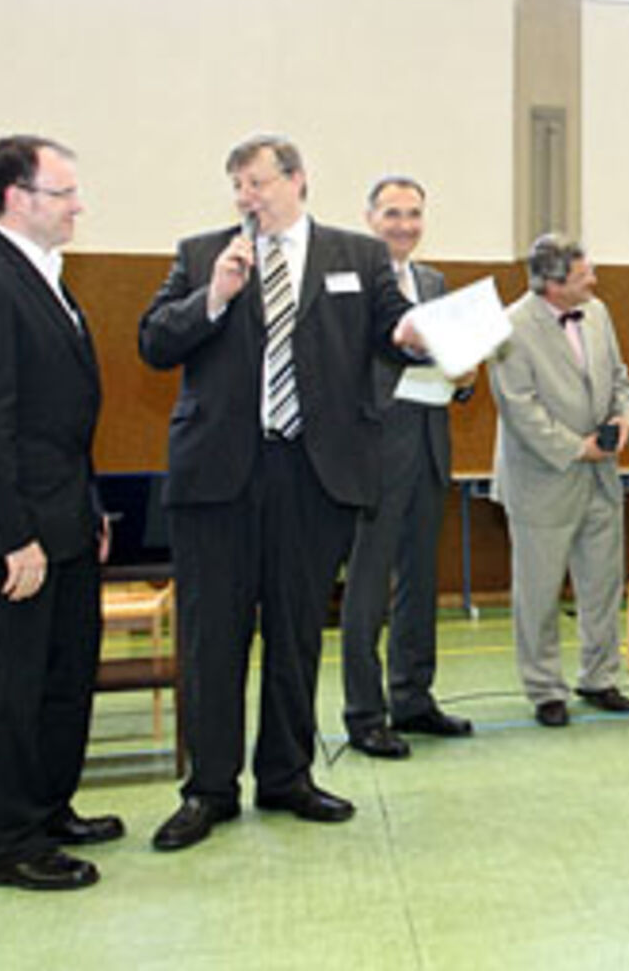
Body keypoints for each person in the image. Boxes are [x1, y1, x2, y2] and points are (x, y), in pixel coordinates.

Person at [139, 135, 423, 852]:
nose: (246, 197)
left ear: (297, 180)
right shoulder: (202, 254)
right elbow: (154, 342)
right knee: (213, 638)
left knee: (296, 634)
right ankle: (208, 788)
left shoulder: (358, 256)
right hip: (218, 477)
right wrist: (214, 297)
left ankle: (287, 775)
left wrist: (418, 333)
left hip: (314, 472)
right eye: (237, 185)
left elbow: (392, 329)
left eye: (257, 182)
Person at [0, 135, 118, 891]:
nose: (78, 205)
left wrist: (91, 507)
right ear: (17, 197)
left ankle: (48, 808)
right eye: (64, 192)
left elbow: (61, 421)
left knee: (65, 673)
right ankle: (9, 840)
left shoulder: (45, 276)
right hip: (19, 528)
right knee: (12, 684)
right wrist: (16, 537)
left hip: (65, 513)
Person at [340, 176, 474, 760]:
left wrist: (465, 377)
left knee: (420, 580)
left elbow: (452, 362)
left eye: (414, 214)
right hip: (373, 449)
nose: (404, 225)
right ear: (370, 218)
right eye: (392, 213)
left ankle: (413, 698)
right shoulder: (348, 282)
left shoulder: (434, 283)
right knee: (368, 587)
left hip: (428, 444)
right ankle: (364, 714)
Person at [489, 234, 629, 727]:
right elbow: (519, 407)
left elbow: (619, 376)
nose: (594, 280)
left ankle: (600, 677)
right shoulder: (511, 326)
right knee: (538, 593)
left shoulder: (597, 313)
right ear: (553, 285)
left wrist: (625, 420)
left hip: (601, 476)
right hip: (542, 480)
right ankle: (544, 689)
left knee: (602, 585)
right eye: (583, 275)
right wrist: (577, 447)